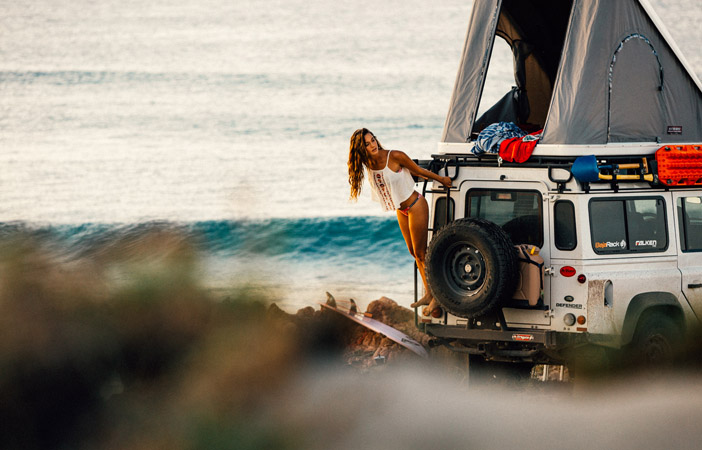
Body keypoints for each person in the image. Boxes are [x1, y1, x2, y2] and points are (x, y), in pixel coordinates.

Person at [348, 128, 451, 315]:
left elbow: (418, 171)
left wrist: (441, 179)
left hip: (415, 205)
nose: (373, 145)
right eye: (367, 143)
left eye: (373, 140)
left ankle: (436, 297)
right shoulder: (368, 163)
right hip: (401, 210)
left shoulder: (394, 156)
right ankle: (429, 293)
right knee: (414, 253)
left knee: (422, 253)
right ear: (360, 148)